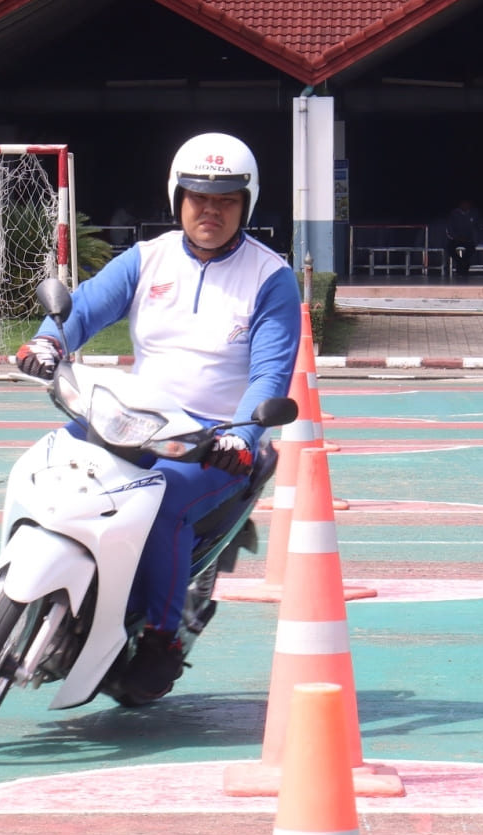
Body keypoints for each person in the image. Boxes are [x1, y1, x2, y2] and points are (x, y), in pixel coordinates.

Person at [15, 133, 298, 702]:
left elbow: (270, 374)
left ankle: (162, 640)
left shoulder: (271, 278)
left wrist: (243, 436)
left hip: (213, 441)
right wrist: (47, 342)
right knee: (47, 465)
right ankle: (11, 577)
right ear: (177, 198)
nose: (211, 211)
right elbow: (84, 308)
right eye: (199, 198)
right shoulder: (148, 258)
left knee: (162, 505)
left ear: (246, 204)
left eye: (226, 200)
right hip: (134, 418)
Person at [443, 199, 481, 274]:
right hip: (456, 239)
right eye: (463, 204)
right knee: (449, 248)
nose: (465, 205)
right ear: (460, 205)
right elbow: (450, 228)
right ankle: (460, 262)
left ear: (470, 205)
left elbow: (479, 227)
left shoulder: (474, 213)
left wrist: (473, 237)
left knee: (471, 249)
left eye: (467, 204)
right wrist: (457, 237)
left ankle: (463, 265)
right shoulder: (454, 213)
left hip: (468, 239)